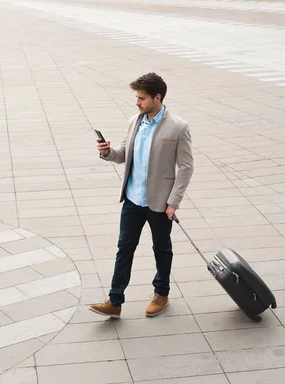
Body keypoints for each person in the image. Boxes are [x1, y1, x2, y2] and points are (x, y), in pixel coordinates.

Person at [89, 72, 194, 318]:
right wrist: (107, 152)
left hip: (160, 202)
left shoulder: (178, 126)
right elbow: (124, 154)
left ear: (158, 98)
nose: (137, 102)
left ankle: (162, 293)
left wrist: (173, 202)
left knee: (161, 249)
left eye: (142, 98)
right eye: (136, 97)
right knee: (124, 249)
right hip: (133, 199)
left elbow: (187, 167)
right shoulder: (134, 121)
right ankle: (115, 301)